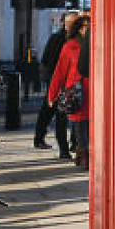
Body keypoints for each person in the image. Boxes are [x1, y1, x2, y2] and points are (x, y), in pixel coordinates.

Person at [47, 13, 92, 170]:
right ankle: (84, 156)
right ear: (79, 29)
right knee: (80, 127)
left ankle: (87, 155)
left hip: (95, 92)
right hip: (77, 92)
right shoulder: (70, 46)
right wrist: (52, 94)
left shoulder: (98, 44)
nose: (88, 30)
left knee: (91, 128)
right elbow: (60, 72)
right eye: (86, 27)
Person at [32, 12, 76, 156]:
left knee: (49, 111)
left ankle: (40, 139)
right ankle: (66, 147)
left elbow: (44, 59)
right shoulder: (65, 40)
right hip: (61, 81)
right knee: (61, 115)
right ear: (66, 23)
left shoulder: (56, 38)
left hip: (57, 80)